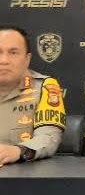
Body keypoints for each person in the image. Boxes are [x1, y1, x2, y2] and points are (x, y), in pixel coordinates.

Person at [0, 26, 66, 165]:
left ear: (27, 59)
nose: (4, 60)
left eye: (13, 53)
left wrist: (18, 151)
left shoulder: (45, 87)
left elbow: (48, 138)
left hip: (21, 172)